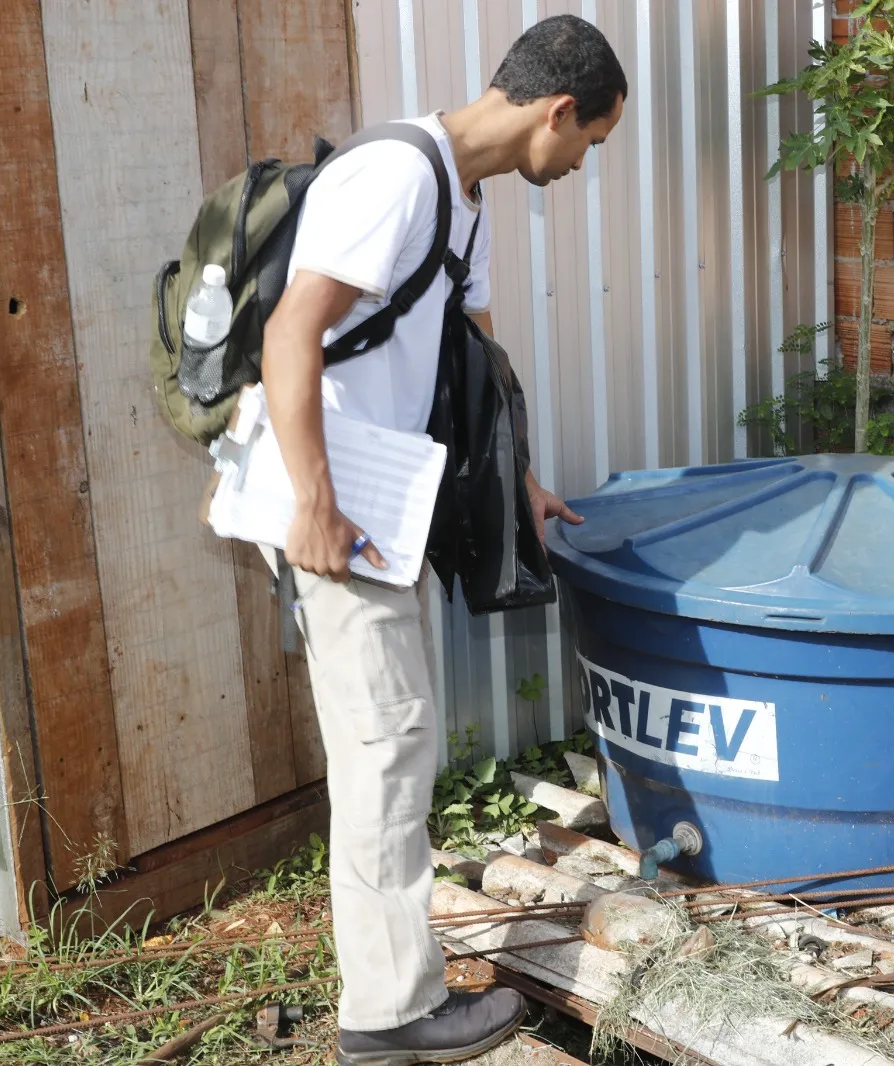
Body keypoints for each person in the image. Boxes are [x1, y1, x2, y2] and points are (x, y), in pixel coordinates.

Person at [259, 15, 624, 1065]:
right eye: (589, 142)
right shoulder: (396, 178)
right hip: (340, 505)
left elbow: (466, 357)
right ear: (557, 110)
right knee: (386, 749)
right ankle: (389, 1016)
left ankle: (394, 988)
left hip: (384, 500)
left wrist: (518, 477)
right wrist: (312, 499)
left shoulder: (463, 202)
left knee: (397, 740)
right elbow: (293, 328)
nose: (582, 162)